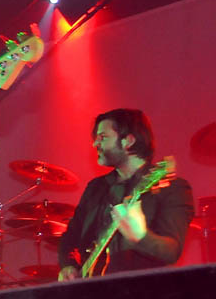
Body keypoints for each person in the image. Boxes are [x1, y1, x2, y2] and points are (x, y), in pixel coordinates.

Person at [58, 109, 194, 280]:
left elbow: (171, 251)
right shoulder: (96, 188)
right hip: (93, 290)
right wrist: (69, 265)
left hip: (142, 290)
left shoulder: (173, 188)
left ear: (128, 141)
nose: (95, 144)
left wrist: (141, 237)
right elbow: (71, 236)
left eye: (103, 137)